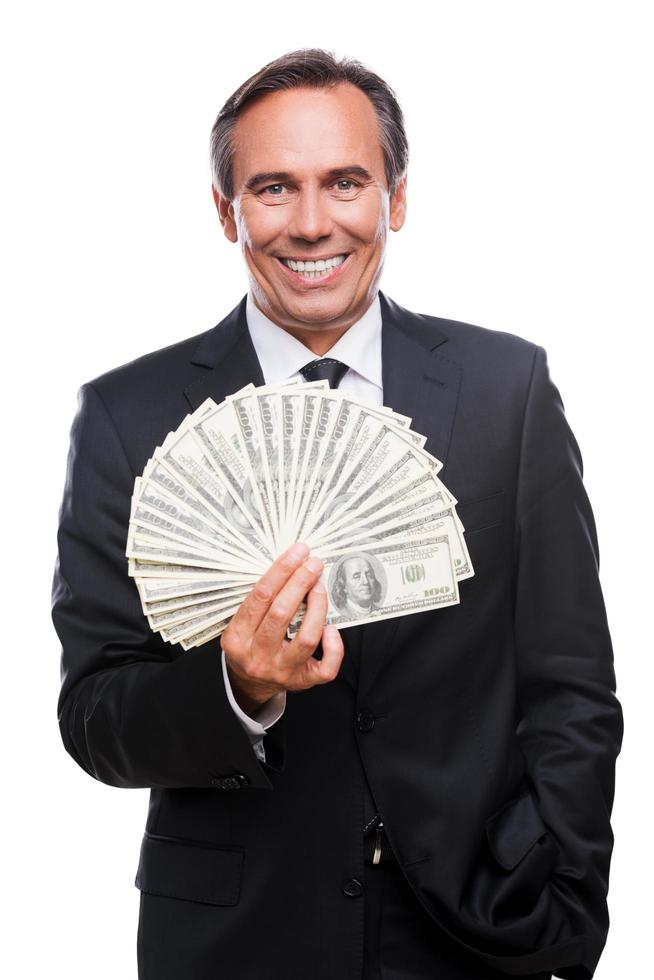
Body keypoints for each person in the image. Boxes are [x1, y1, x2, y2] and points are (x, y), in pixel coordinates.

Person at [52, 48, 623, 980]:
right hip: (236, 943)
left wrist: (562, 890)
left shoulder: (504, 390)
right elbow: (95, 713)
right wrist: (239, 688)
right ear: (224, 210)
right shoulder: (129, 415)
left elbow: (571, 688)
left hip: (477, 928)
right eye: (273, 188)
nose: (313, 224)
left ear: (394, 198)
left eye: (346, 182)